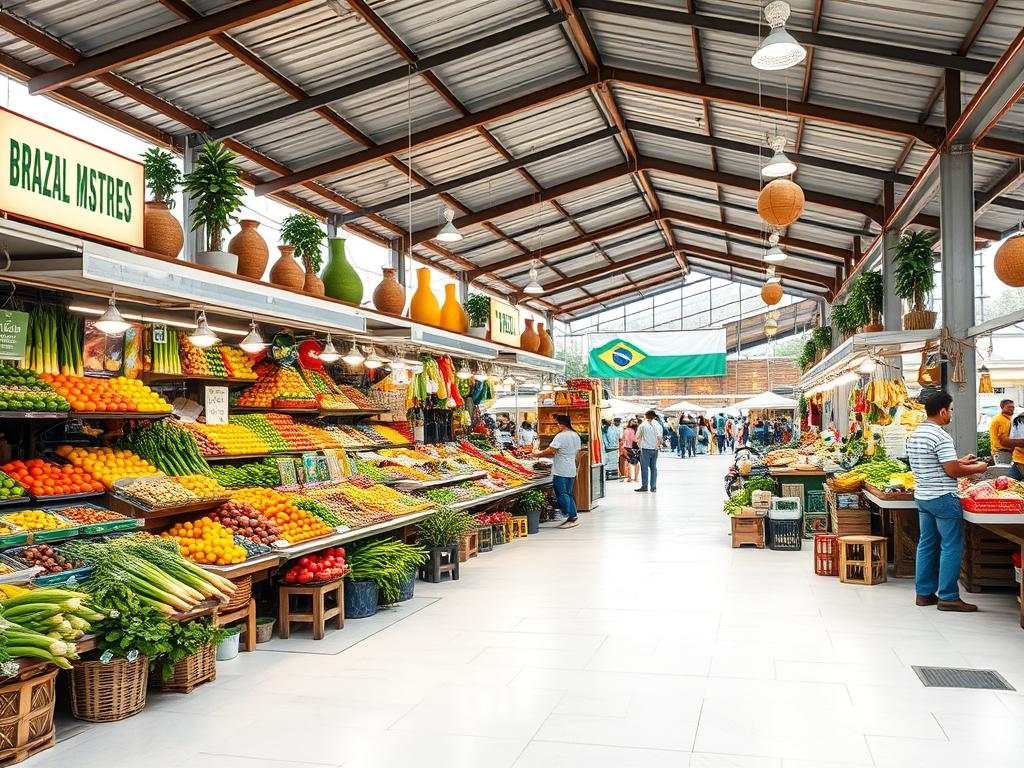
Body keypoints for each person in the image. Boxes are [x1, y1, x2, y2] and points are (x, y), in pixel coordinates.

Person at [906, 391, 989, 612]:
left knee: (926, 545)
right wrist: (978, 468)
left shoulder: (916, 435)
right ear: (942, 411)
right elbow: (952, 471)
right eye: (950, 410)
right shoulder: (941, 436)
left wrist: (960, 461)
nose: (951, 414)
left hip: (923, 497)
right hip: (943, 498)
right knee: (951, 546)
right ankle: (949, 596)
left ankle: (923, 594)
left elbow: (936, 464)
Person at [532, 414, 582, 529]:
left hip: (561, 470)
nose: (557, 426)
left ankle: (568, 514)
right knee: (569, 493)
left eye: (557, 424)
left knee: (561, 493)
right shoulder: (576, 435)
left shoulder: (561, 436)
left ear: (561, 424)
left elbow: (551, 450)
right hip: (571, 468)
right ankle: (573, 517)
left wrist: (537, 454)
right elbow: (577, 453)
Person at [635, 410, 663, 492]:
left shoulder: (642, 425)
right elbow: (660, 439)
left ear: (646, 416)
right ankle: (653, 486)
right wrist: (657, 446)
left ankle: (644, 486)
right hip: (655, 449)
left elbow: (637, 436)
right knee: (653, 468)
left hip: (645, 449)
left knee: (644, 468)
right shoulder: (658, 425)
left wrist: (639, 444)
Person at [990, 399, 1016, 466]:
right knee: (1004, 473)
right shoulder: (1000, 420)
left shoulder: (1008, 419)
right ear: (1002, 407)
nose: (1012, 409)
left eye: (1013, 407)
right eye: (1009, 407)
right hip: (1002, 452)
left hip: (1006, 452)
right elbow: (1004, 439)